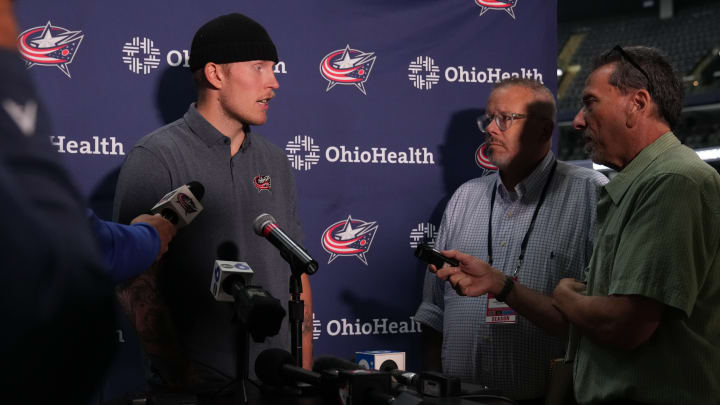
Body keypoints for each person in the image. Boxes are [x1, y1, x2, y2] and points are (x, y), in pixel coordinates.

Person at [113, 13, 313, 395]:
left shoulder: (275, 161)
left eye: (273, 68)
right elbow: (136, 285)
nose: (274, 82)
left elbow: (296, 269)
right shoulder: (157, 156)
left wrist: (302, 374)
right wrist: (182, 379)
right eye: (258, 68)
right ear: (215, 75)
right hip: (196, 390)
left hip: (276, 380)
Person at [414, 77, 608, 402]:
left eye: (505, 119)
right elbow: (433, 314)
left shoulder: (591, 194)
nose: (491, 128)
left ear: (545, 132)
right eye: (488, 119)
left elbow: (602, 322)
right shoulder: (464, 198)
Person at [551, 45, 720, 404]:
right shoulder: (646, 182)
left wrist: (565, 296)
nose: (578, 120)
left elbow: (626, 324)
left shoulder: (674, 181)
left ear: (637, 104)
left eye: (591, 102)